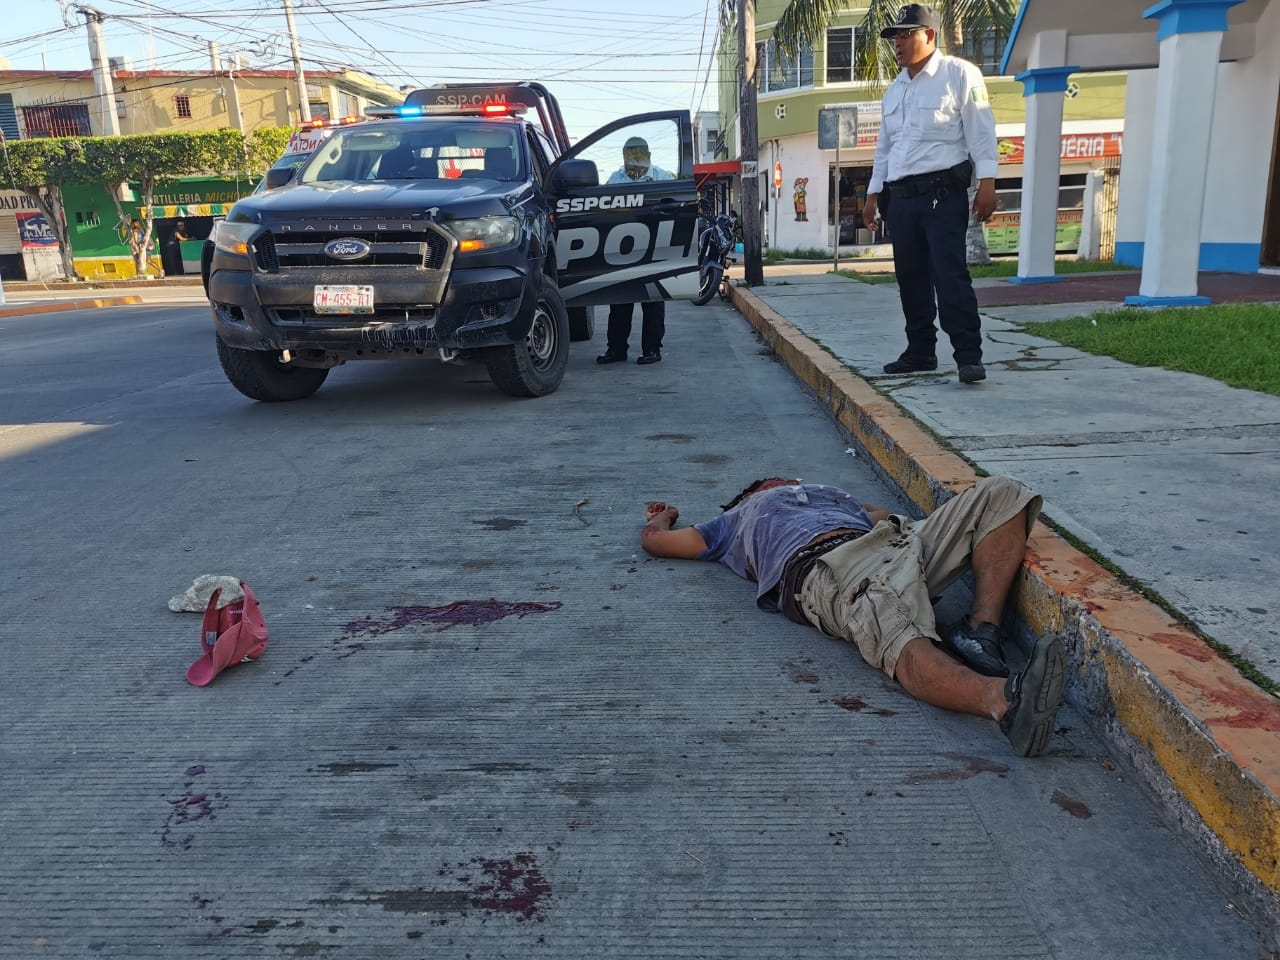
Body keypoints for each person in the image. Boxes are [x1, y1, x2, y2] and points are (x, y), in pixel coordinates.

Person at [638, 474, 1065, 757]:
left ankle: (980, 630)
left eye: (784, 480)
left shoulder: (834, 496)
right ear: (750, 494)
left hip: (894, 539)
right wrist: (663, 516)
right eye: (766, 483)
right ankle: (1004, 702)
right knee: (889, 619)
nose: (780, 481)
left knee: (1003, 493)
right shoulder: (733, 521)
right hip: (830, 566)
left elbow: (894, 518)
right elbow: (659, 542)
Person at [862, 3, 998, 385]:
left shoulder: (959, 74)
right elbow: (884, 149)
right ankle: (920, 351)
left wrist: (987, 182)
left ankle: (968, 355)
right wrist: (873, 195)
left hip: (942, 194)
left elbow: (981, 129)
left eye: (907, 34)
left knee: (949, 276)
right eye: (896, 37)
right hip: (901, 199)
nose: (899, 43)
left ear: (930, 35)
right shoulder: (895, 90)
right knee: (911, 279)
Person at [597, 137, 675, 366]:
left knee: (652, 300)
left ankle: (652, 349)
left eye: (639, 153)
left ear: (648, 154)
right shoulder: (615, 179)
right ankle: (616, 350)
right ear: (623, 154)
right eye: (630, 153)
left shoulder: (663, 178)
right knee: (619, 300)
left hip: (654, 248)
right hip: (622, 248)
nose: (635, 158)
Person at [606, 136, 675, 184]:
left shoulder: (663, 178)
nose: (631, 164)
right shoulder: (616, 178)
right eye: (628, 159)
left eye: (637, 159)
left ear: (648, 156)